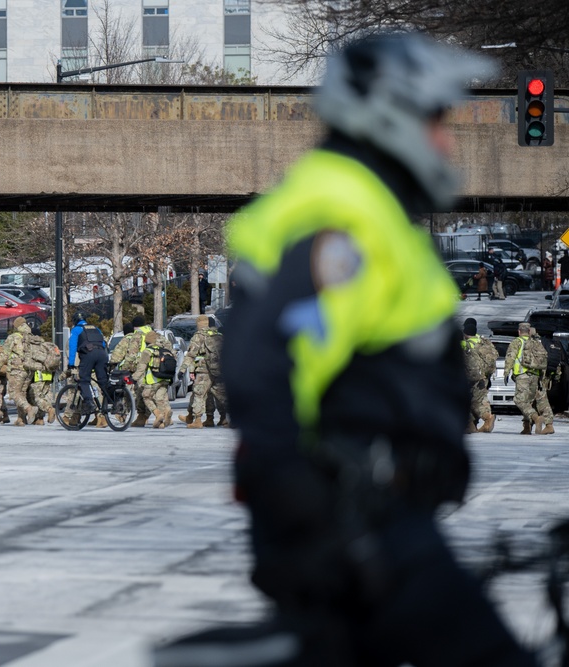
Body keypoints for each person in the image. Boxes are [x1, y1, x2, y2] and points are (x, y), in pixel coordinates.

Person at [223, 33, 532, 665]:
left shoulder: (363, 206)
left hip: (370, 517)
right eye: (437, 122)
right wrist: (302, 508)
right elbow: (262, 360)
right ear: (388, 114)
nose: (447, 143)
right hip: (360, 526)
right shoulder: (345, 216)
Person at [178, 315, 223, 429]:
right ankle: (225, 419)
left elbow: (191, 354)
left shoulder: (199, 336)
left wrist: (182, 369)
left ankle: (197, 420)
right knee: (221, 395)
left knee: (199, 394)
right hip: (219, 370)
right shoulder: (218, 335)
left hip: (204, 371)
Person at [505, 322, 546, 436]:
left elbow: (510, 357)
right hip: (535, 375)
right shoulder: (536, 343)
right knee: (528, 402)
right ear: (529, 332)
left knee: (520, 400)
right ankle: (527, 428)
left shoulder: (517, 342)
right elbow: (543, 360)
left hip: (522, 375)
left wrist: (506, 372)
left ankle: (536, 418)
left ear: (519, 331)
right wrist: (542, 377)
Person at [67, 312, 108, 426]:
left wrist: (70, 363)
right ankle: (113, 402)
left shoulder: (76, 330)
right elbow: (103, 344)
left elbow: (73, 346)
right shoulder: (96, 328)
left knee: (84, 380)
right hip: (102, 354)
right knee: (103, 381)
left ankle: (89, 403)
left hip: (88, 355)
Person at [460, 318, 496, 433]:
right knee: (479, 400)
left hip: (469, 377)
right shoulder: (484, 342)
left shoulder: (464, 344)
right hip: (483, 376)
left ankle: (486, 418)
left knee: (471, 401)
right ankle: (473, 424)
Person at [136, 330, 172, 428]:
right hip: (165, 379)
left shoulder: (147, 351)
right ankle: (165, 415)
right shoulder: (162, 350)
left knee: (146, 396)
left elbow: (141, 368)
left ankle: (158, 414)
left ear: (147, 341)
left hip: (153, 380)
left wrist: (133, 377)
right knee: (161, 398)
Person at [527, 326, 555, 435]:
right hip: (545, 376)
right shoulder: (544, 342)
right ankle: (530, 425)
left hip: (536, 376)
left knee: (537, 401)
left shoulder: (532, 343)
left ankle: (547, 425)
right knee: (538, 400)